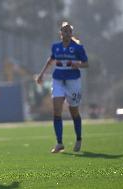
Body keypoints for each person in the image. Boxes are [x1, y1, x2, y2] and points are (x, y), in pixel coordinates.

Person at [36, 21, 88, 153]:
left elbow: (86, 63)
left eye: (69, 31)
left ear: (71, 33)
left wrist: (78, 65)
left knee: (73, 111)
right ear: (60, 33)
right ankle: (59, 143)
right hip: (58, 80)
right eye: (64, 31)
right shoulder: (56, 47)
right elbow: (50, 61)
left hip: (73, 81)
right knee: (56, 111)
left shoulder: (78, 48)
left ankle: (79, 138)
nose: (66, 33)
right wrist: (41, 75)